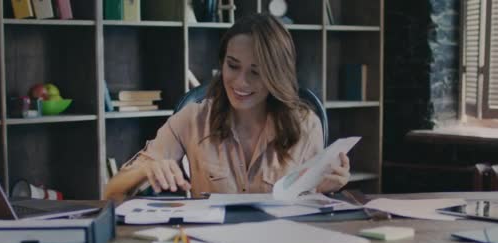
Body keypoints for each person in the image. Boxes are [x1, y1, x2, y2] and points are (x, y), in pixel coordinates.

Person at [104, 13, 350, 202]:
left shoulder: (306, 125)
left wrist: (325, 186)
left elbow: (312, 205)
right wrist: (148, 169)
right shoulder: (192, 118)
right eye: (233, 66)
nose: (241, 82)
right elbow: (111, 191)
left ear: (277, 75)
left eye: (256, 72)